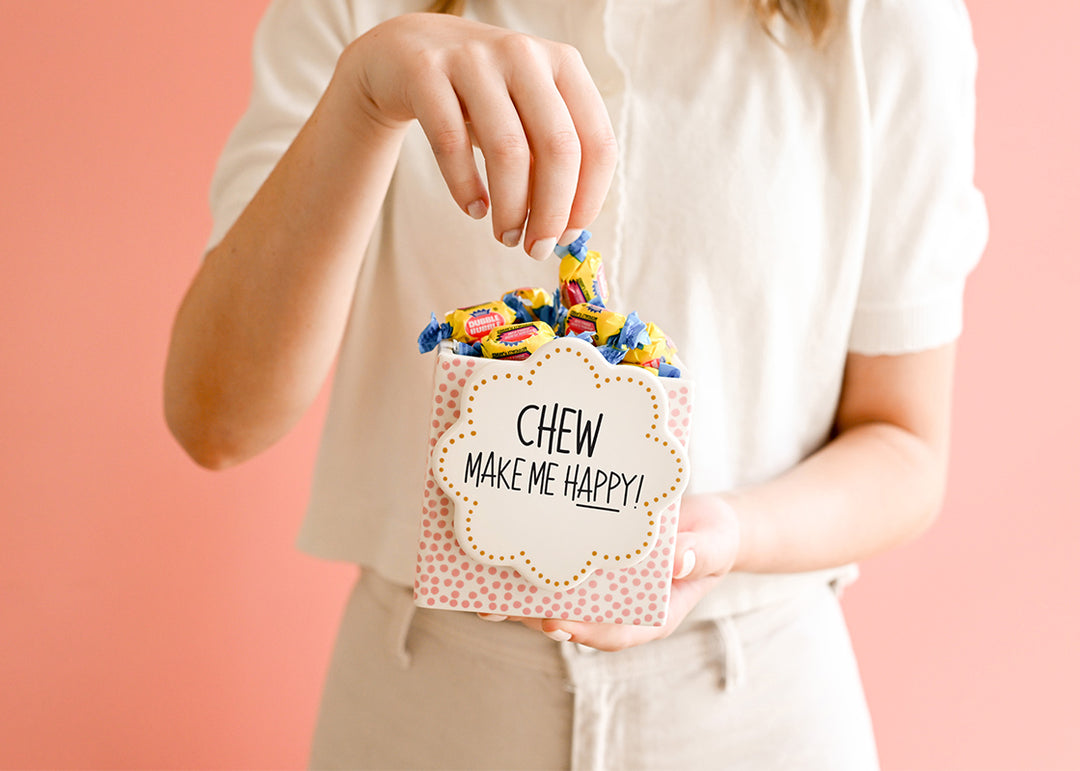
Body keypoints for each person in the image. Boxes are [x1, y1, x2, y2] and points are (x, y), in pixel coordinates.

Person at [164, 0, 987, 767]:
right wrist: (361, 101)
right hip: (422, 702)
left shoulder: (887, 19)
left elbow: (906, 444)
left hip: (756, 707)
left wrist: (721, 537)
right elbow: (216, 419)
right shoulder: (354, 11)